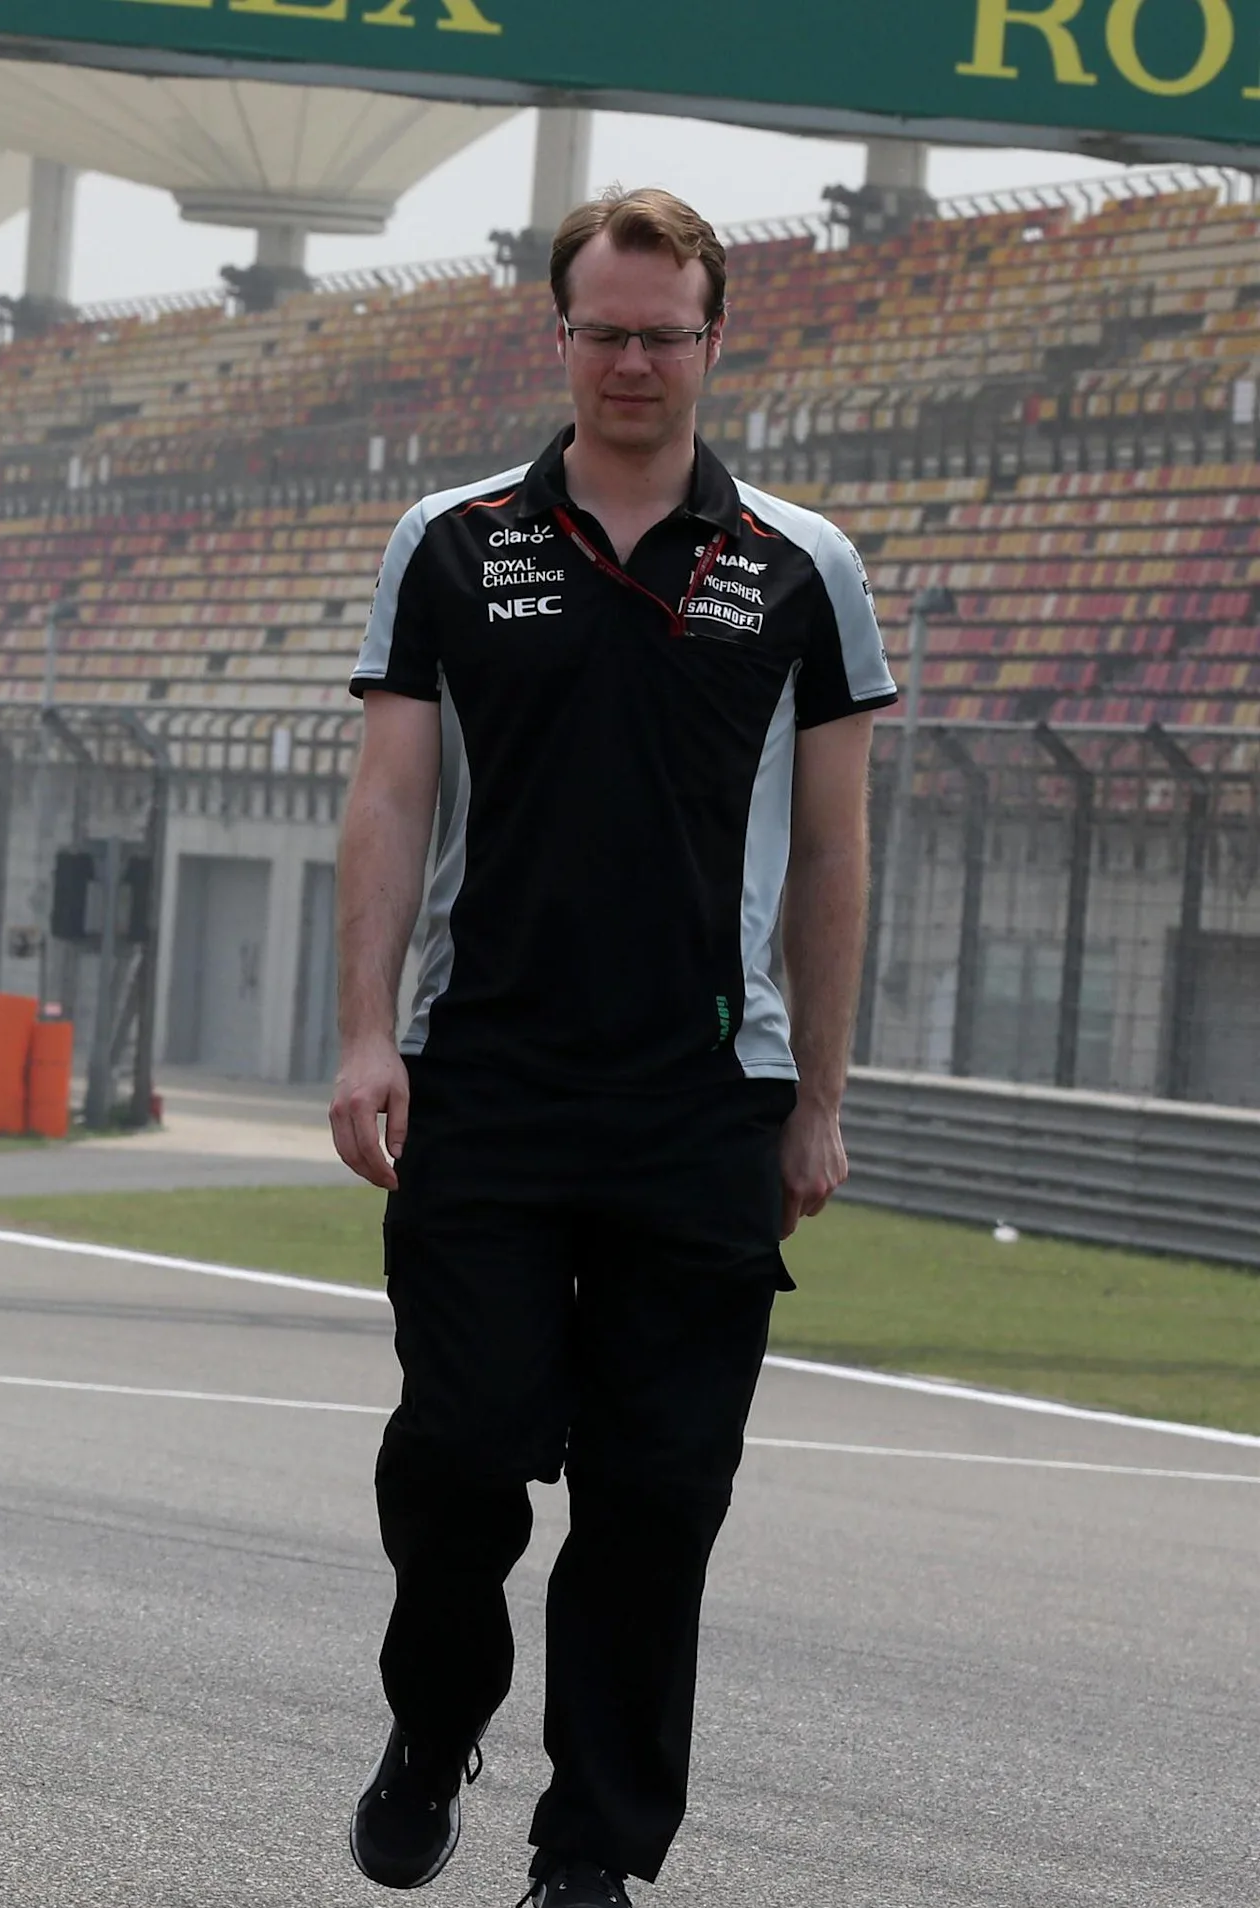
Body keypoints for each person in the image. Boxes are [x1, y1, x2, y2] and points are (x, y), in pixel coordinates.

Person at [331, 188, 896, 1907]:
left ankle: (594, 1860)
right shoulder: (451, 538)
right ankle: (434, 1725)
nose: (634, 360)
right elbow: (389, 795)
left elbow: (836, 852)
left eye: (666, 332)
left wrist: (819, 1102)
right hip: (484, 1081)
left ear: (716, 342)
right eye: (605, 329)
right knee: (457, 1453)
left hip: (702, 1103)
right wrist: (365, 1035)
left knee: (660, 1499)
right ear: (556, 336)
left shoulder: (804, 567)